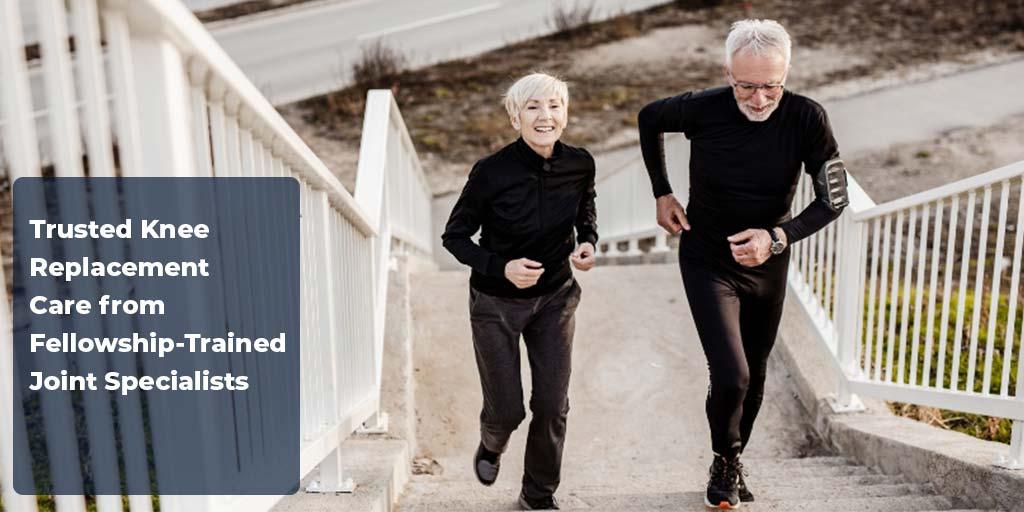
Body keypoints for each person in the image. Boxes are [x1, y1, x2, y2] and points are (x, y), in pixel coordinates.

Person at [637, 19, 849, 509]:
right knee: (731, 374)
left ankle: (731, 461)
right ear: (727, 73)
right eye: (745, 86)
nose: (758, 100)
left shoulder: (807, 118)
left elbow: (832, 197)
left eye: (770, 86)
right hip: (707, 257)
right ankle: (726, 459)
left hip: (768, 265)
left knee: (754, 373)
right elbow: (650, 117)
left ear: (787, 73)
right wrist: (662, 191)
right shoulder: (703, 108)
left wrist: (777, 237)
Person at [441, 72, 598, 511]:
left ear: (565, 114)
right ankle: (492, 443)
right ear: (515, 119)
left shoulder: (580, 163)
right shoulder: (491, 172)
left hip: (556, 299)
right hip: (495, 303)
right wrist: (502, 267)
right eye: (532, 107)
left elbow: (586, 208)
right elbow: (454, 237)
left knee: (552, 403)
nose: (545, 115)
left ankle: (538, 493)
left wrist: (587, 240)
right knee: (508, 411)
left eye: (554, 105)